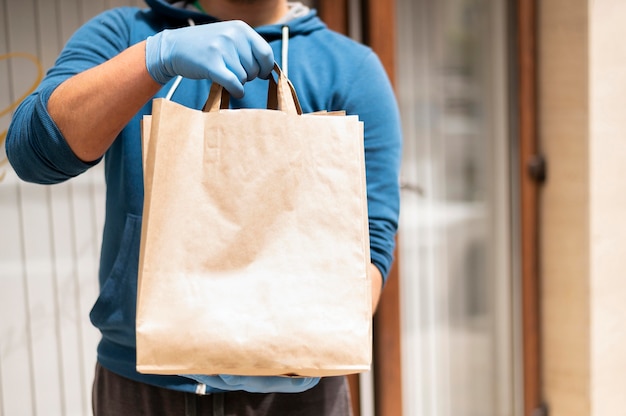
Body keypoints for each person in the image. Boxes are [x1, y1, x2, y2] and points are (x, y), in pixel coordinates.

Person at [6, 0, 402, 415]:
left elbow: (370, 241)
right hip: (139, 387)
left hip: (298, 393)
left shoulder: (350, 67)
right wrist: (152, 58)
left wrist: (323, 343)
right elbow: (33, 154)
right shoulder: (127, 34)